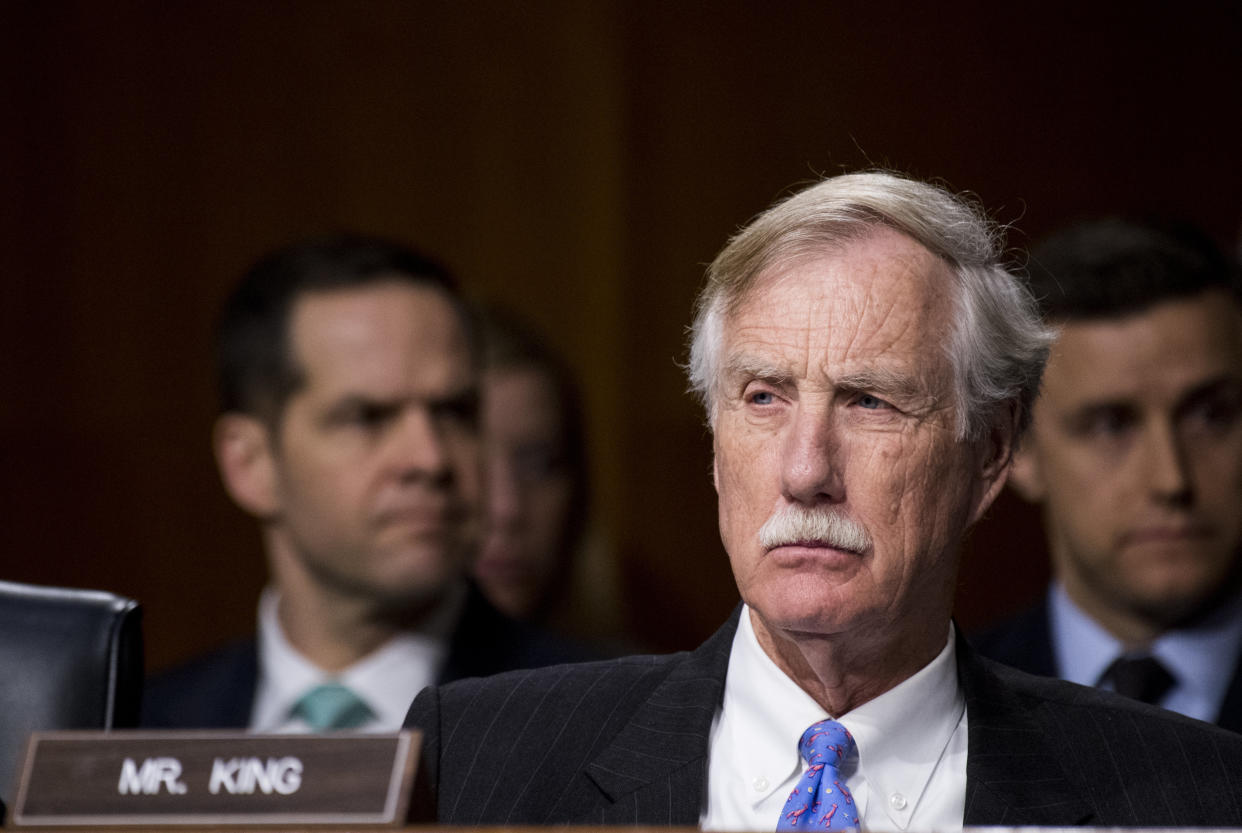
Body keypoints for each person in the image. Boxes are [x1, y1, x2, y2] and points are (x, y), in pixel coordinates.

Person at [404, 173, 1242, 829]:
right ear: (715, 441)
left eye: (869, 401)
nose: (806, 470)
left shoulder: (1193, 790)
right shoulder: (477, 754)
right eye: (763, 398)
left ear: (989, 453)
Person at [142, 234, 590, 733]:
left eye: (455, 412)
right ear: (250, 463)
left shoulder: (591, 720)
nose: (430, 457)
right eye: (367, 417)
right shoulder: (134, 731)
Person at [972, 219, 1242, 731]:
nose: (1171, 480)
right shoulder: (952, 710)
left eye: (1211, 416)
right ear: (1017, 451)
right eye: (1110, 425)